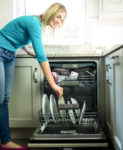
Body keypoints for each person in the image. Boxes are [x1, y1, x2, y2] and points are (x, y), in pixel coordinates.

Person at [0, 2, 67, 150]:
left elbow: (16, 35)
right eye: (58, 17)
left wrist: (27, 49)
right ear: (51, 12)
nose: (58, 21)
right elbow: (42, 57)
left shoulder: (37, 24)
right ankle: (6, 141)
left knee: (4, 99)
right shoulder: (35, 23)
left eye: (62, 20)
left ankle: (5, 142)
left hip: (9, 55)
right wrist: (53, 84)